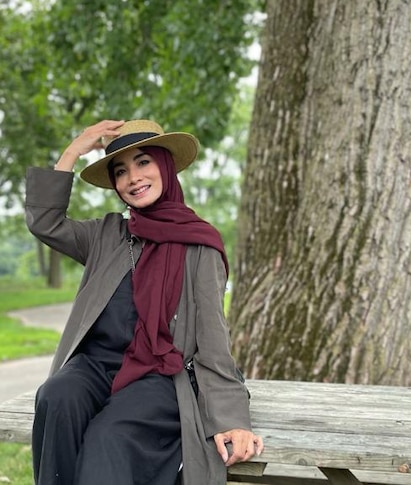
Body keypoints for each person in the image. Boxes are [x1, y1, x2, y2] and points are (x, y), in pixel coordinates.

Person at [25, 119, 262, 485]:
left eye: (143, 162)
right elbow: (45, 222)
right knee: (56, 396)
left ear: (165, 166)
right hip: (96, 367)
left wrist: (231, 419)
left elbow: (213, 341)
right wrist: (73, 150)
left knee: (110, 435)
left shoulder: (200, 244)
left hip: (159, 374)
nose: (133, 177)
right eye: (121, 171)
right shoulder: (107, 234)